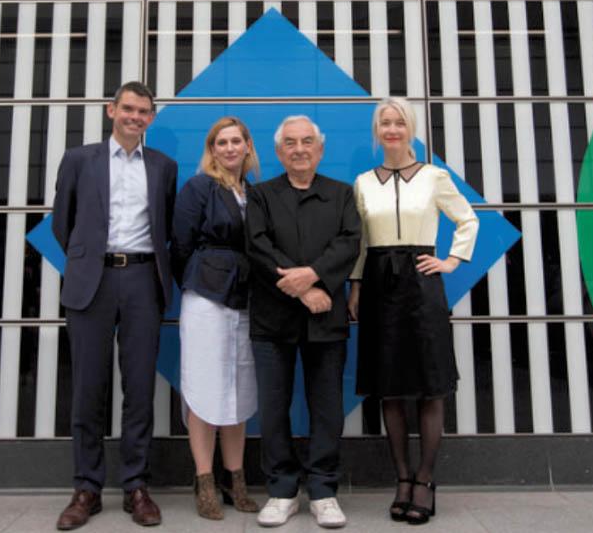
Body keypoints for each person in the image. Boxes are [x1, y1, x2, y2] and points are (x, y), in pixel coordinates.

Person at [51, 81, 178, 530]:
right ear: (111, 110)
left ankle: (136, 487)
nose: (134, 117)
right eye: (127, 108)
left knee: (140, 388)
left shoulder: (164, 167)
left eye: (143, 111)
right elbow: (63, 224)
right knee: (88, 388)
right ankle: (86, 487)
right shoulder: (79, 159)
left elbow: (165, 224)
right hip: (93, 281)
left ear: (150, 118)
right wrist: (90, 261)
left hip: (144, 279)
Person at [347, 97, 478, 525]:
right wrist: (356, 286)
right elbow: (362, 244)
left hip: (422, 285)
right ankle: (402, 478)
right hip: (379, 284)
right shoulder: (363, 182)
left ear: (411, 128)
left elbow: (467, 220)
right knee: (390, 386)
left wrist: (451, 261)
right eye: (384, 122)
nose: (391, 129)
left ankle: (425, 479)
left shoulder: (434, 176)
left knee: (429, 384)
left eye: (399, 122)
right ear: (376, 131)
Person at [246, 115, 361, 529]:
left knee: (327, 407)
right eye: (290, 143)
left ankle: (324, 490)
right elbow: (258, 247)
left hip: (325, 317)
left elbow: (349, 243)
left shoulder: (341, 194)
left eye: (307, 141)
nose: (299, 149)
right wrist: (302, 288)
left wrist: (314, 278)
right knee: (274, 408)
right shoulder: (259, 195)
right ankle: (281, 490)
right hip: (273, 317)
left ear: (320, 149)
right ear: (278, 152)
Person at [171, 117, 262, 520]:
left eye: (235, 141)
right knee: (205, 385)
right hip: (207, 297)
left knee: (239, 387)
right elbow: (181, 244)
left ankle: (235, 477)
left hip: (246, 297)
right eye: (220, 142)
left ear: (247, 147)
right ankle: (205, 479)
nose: (228, 148)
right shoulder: (199, 188)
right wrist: (199, 279)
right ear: (212, 149)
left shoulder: (253, 193)